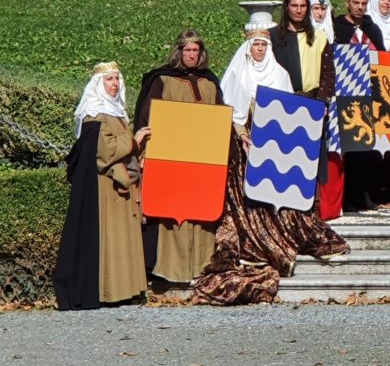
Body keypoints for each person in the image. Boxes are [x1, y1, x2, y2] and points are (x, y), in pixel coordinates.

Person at [192, 17, 349, 306]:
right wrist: (241, 133)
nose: (260, 50)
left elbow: (289, 114)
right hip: (243, 147)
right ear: (248, 47)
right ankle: (250, 247)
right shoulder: (237, 75)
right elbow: (228, 111)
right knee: (242, 197)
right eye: (256, 46)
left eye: (264, 45)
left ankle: (281, 240)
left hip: (273, 149)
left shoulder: (280, 75)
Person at [54, 62, 150, 309]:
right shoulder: (94, 114)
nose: (115, 84)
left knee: (123, 239)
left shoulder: (116, 113)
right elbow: (104, 150)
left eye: (117, 79)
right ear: (98, 85)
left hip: (122, 184)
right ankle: (109, 291)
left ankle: (127, 289)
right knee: (110, 240)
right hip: (104, 188)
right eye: (109, 80)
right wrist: (134, 140)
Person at [134, 30, 224, 283]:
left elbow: (218, 120)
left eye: (196, 51)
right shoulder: (162, 79)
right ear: (179, 52)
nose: (192, 55)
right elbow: (147, 119)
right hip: (171, 160)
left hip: (203, 160)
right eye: (187, 51)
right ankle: (168, 270)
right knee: (171, 214)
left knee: (201, 211)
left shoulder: (209, 82)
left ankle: (201, 266)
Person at [270, 0, 338, 217]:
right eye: (294, 6)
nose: (298, 10)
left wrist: (322, 101)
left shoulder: (319, 37)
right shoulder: (272, 38)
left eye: (302, 6)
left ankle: (311, 211)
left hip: (311, 102)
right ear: (286, 8)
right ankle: (285, 213)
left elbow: (328, 74)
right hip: (282, 104)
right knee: (283, 160)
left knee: (310, 161)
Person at [332, 0, 388, 211]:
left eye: (364, 3)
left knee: (369, 151)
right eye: (356, 3)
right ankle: (347, 198)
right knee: (350, 149)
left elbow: (382, 57)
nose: (360, 7)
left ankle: (366, 196)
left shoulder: (371, 28)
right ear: (347, 2)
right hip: (346, 97)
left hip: (371, 96)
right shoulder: (338, 28)